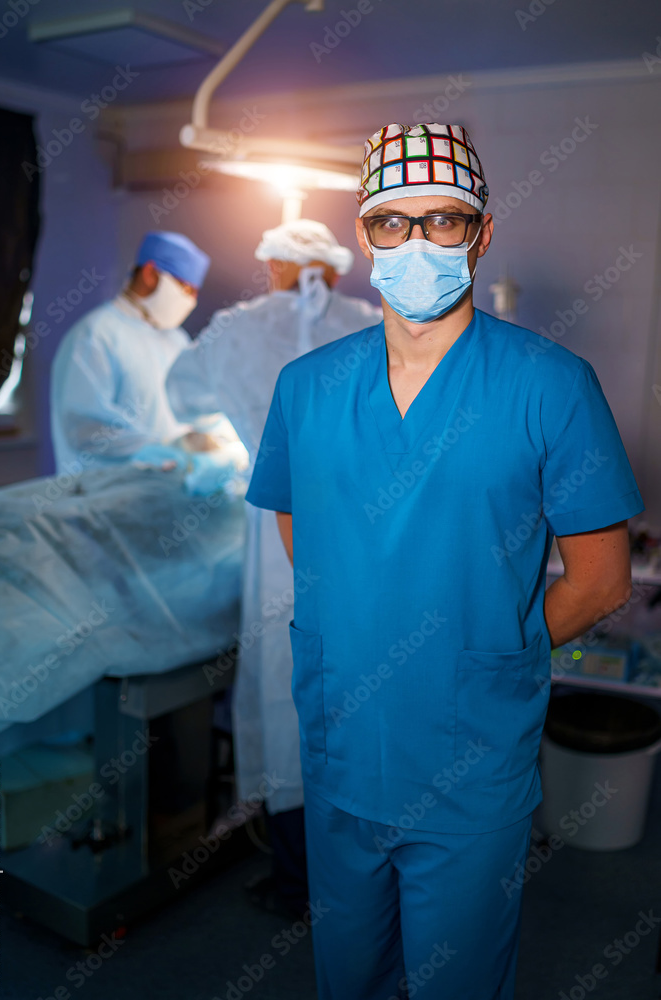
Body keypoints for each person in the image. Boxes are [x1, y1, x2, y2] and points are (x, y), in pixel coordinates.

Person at [245, 123, 644, 999]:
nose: (416, 242)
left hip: (469, 754)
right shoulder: (305, 387)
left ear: (482, 232)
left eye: (443, 221)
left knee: (454, 982)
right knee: (347, 974)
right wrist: (353, 615)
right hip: (343, 736)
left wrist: (491, 652)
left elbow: (603, 578)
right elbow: (295, 525)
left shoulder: (548, 382)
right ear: (362, 233)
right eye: (392, 223)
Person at [166, 219, 382, 919]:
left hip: (278, 532)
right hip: (368, 527)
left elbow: (181, 396)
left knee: (287, 696)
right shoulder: (373, 324)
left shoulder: (236, 328)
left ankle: (298, 880)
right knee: (361, 689)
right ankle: (365, 876)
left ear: (276, 266)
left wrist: (233, 427)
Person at [50, 231, 210, 473]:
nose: (191, 301)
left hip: (168, 491)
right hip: (105, 496)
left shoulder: (176, 339)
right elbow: (85, 427)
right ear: (149, 274)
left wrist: (204, 436)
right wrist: (151, 450)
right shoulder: (96, 335)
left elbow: (191, 406)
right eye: (185, 289)